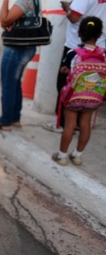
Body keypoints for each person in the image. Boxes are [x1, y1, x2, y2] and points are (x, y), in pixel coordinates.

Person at [43, 0, 106, 133]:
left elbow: (75, 17)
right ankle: (81, 123)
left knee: (66, 84)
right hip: (101, 49)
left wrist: (68, 7)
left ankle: (63, 124)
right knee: (89, 86)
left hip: (77, 48)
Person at [0, 0, 42, 131]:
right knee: (15, 82)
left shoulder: (25, 0)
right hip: (28, 47)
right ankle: (14, 118)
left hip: (15, 49)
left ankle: (4, 121)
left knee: (8, 84)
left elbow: (4, 21)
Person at [52, 16, 105, 166]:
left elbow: (65, 70)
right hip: (93, 97)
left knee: (70, 124)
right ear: (100, 34)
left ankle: (62, 156)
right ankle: (77, 155)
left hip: (74, 97)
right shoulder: (103, 55)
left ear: (79, 34)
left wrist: (66, 69)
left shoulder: (73, 54)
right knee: (85, 124)